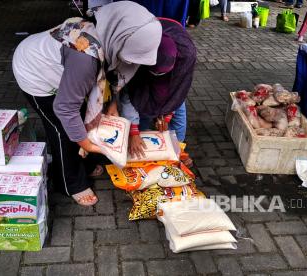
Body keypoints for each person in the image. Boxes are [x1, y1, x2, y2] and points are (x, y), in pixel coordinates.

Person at [12, 1, 162, 206]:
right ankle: (69, 183)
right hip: (34, 72)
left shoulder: (108, 31)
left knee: (86, 118)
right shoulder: (85, 57)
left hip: (64, 69)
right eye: (129, 56)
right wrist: (86, 144)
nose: (131, 63)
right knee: (62, 130)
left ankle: (85, 162)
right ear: (119, 37)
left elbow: (112, 74)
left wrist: (112, 104)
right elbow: (64, 108)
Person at [120, 18, 196, 164]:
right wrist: (134, 132)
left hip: (175, 73)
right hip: (145, 66)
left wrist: (167, 114)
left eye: (162, 74)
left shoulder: (186, 56)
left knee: (178, 113)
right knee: (142, 107)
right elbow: (129, 97)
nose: (159, 77)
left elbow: (179, 92)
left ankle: (177, 150)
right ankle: (141, 146)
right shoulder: (138, 59)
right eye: (156, 73)